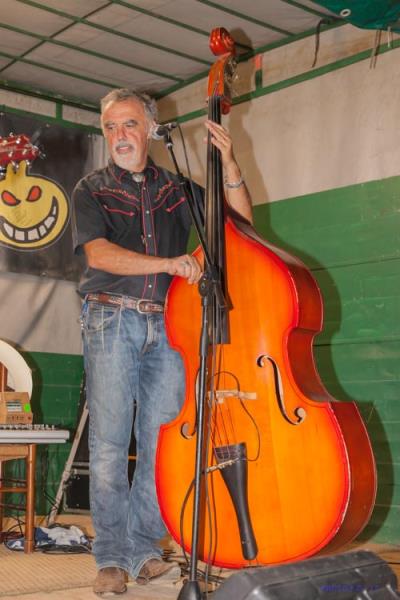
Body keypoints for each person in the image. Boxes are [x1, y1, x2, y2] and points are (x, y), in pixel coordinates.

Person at [72, 87, 252, 596]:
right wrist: (170, 265)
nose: (119, 135)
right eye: (110, 126)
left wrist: (230, 164)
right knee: (110, 442)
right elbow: (99, 255)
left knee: (160, 442)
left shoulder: (178, 188)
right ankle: (111, 556)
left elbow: (240, 225)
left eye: (129, 124)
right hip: (111, 318)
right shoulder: (91, 188)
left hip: (170, 324)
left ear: (151, 129)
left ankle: (143, 547)